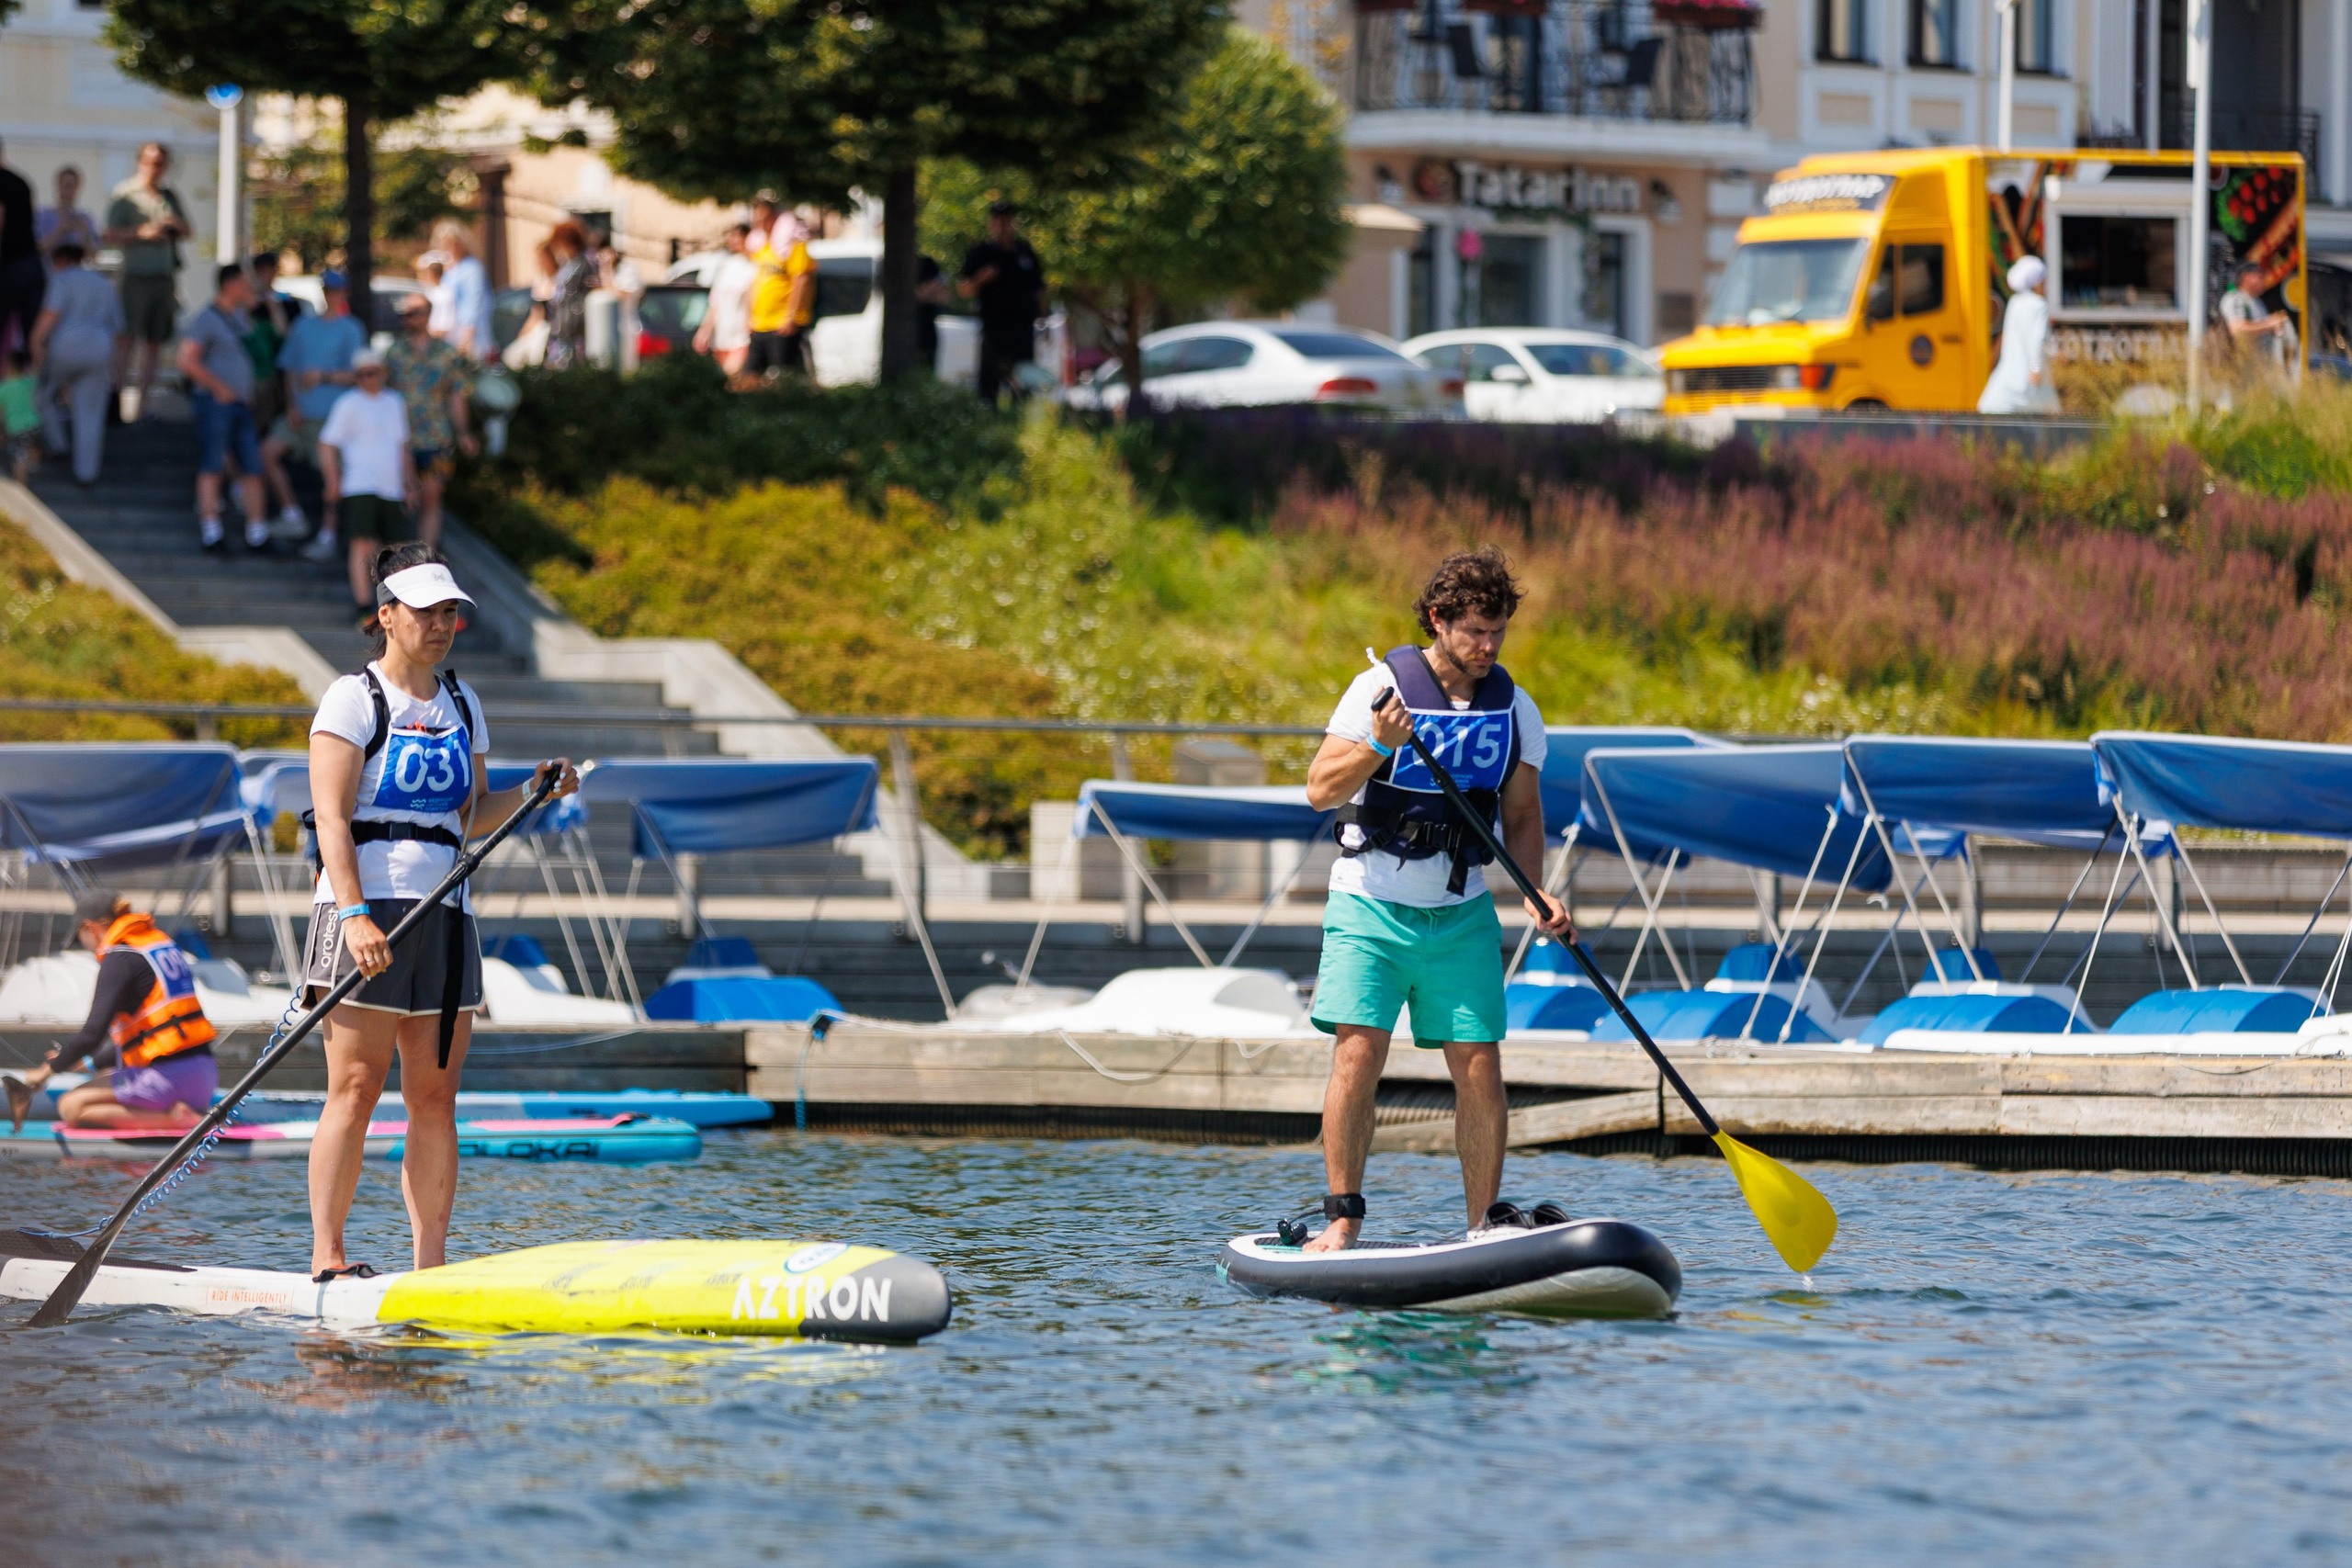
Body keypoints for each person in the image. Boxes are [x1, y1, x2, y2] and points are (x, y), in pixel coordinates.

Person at [302, 546, 578, 1280]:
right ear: (386, 614)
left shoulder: (462, 701)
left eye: (450, 610)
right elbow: (331, 818)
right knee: (356, 1088)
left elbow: (471, 813)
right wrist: (356, 914)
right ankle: (328, 1256)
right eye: (425, 610)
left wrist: (534, 791)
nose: (442, 623)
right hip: (367, 907)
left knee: (434, 1094)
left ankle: (431, 1266)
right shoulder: (352, 697)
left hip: (446, 908)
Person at [1297, 547, 1572, 1252]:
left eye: (1499, 631)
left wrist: (1537, 892)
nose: (1488, 646)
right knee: (1359, 1052)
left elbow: (1523, 818)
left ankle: (1484, 1226)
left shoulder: (1514, 707)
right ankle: (1342, 1219)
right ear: (1437, 620)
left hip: (1462, 911)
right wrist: (1376, 746)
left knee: (1479, 1062)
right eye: (1475, 630)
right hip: (1369, 903)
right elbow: (1320, 788)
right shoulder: (1377, 687)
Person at [3, 890, 218, 1132]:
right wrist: (82, 1064)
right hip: (204, 1075)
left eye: (79, 937)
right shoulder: (156, 945)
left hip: (168, 1080)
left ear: (90, 928)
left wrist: (43, 1073)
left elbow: (92, 1034)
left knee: (70, 1106)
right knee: (103, 1076)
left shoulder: (119, 958)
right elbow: (148, 1036)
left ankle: (176, 1120)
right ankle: (177, 1110)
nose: (84, 945)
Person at [266, 268, 366, 547]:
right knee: (266, 453)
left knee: (331, 479)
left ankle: (328, 534)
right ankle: (291, 514)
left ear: (345, 292)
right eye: (328, 290)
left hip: (332, 420)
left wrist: (323, 375)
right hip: (300, 414)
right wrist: (291, 405)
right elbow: (288, 369)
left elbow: (359, 375)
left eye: (337, 290)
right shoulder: (303, 325)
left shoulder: (351, 328)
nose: (332, 295)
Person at [316, 348, 414, 622]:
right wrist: (333, 480)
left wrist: (410, 483)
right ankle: (364, 607)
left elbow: (403, 445)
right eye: (361, 375)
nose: (368, 379)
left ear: (383, 373)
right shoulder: (348, 403)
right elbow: (326, 443)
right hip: (360, 484)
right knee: (362, 545)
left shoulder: (395, 401)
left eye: (372, 373)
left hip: (391, 487)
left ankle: (399, 605)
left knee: (398, 548)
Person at [176, 263, 270, 553]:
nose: (249, 288)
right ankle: (211, 531)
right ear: (229, 284)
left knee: (252, 467)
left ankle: (257, 532)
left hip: (242, 404)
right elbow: (186, 360)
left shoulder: (241, 316)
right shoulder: (206, 318)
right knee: (213, 464)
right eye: (244, 283)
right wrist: (219, 388)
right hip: (215, 403)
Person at [102, 142, 190, 421]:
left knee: (155, 343)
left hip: (163, 278)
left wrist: (173, 225)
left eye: (161, 163)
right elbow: (108, 233)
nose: (155, 168)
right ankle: (116, 403)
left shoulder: (168, 195)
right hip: (135, 277)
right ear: (140, 162)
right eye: (151, 162)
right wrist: (143, 233)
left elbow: (188, 229)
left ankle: (143, 407)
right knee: (126, 339)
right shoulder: (126, 194)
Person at [28, 240, 123, 486]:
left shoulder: (62, 279)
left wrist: (36, 345)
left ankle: (58, 444)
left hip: (65, 347)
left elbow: (50, 316)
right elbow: (118, 329)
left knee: (42, 395)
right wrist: (117, 369)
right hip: (101, 349)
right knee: (90, 412)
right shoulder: (105, 283)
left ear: (60, 260)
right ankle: (86, 473)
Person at [386, 292, 475, 548]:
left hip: (436, 438)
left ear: (426, 315)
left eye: (412, 314)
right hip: (401, 440)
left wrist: (464, 432)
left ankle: (426, 558)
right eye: (403, 315)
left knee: (432, 499)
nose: (407, 320)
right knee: (401, 499)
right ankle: (400, 561)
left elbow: (457, 394)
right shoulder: (394, 352)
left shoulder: (447, 353)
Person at [958, 199, 1046, 402]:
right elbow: (964, 290)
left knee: (1023, 376)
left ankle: (1020, 414)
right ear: (991, 223)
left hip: (1023, 326)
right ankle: (989, 414)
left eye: (1006, 220)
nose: (1002, 225)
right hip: (994, 326)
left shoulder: (1025, 252)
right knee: (991, 377)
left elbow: (1039, 289)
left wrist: (1043, 319)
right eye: (997, 220)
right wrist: (981, 278)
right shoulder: (982, 253)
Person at [1977, 255, 2059, 415]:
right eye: (2043, 280)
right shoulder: (2039, 306)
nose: (2046, 285)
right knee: (2050, 419)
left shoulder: (2015, 302)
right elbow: (2038, 340)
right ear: (2036, 282)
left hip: (2008, 376)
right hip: (2030, 379)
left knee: (1987, 408)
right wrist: (2036, 368)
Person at [746, 200, 815, 377]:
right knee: (750, 377)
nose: (762, 225)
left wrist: (791, 317)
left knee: (783, 377)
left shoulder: (793, 246)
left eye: (765, 219)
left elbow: (801, 280)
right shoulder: (763, 249)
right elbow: (754, 284)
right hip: (760, 325)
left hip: (782, 324)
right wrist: (749, 317)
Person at [694, 222, 757, 376]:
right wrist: (704, 331)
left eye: (738, 236)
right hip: (722, 333)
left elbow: (752, 297)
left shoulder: (754, 266)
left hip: (741, 334)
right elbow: (715, 302)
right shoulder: (728, 265)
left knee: (732, 375)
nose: (734, 241)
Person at [0, 140, 43, 366]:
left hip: (9, 267)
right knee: (33, 338)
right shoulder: (20, 182)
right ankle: (38, 395)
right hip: (30, 265)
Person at [431, 220, 497, 361]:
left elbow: (474, 303)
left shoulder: (472, 268)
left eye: (452, 243)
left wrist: (467, 335)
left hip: (469, 335)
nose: (448, 247)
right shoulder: (449, 270)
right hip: (450, 335)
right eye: (444, 243)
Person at [2221, 262, 2294, 374]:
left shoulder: (2256, 301)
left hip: (2257, 371)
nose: (2263, 279)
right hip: (2240, 371)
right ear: (2246, 276)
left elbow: (2259, 328)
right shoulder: (2235, 298)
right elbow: (2238, 330)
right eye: (2259, 275)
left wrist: (2273, 328)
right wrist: (2269, 324)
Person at [544, 220, 594, 369]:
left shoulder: (583, 264)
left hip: (574, 329)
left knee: (572, 367)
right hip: (562, 326)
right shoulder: (569, 264)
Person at [35, 165, 100, 271]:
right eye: (65, 185)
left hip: (76, 279)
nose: (68, 189)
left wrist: (85, 233)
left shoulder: (85, 218)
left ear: (78, 187)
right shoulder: (43, 215)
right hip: (50, 278)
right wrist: (60, 231)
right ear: (57, 185)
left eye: (71, 185)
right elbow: (37, 249)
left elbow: (93, 256)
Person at [1, 349, 38, 483]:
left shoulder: (4, 388)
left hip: (17, 429)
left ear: (8, 367)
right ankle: (33, 465)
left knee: (18, 460)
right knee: (33, 447)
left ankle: (21, 489)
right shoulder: (30, 382)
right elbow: (35, 371)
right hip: (35, 425)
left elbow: (1, 413)